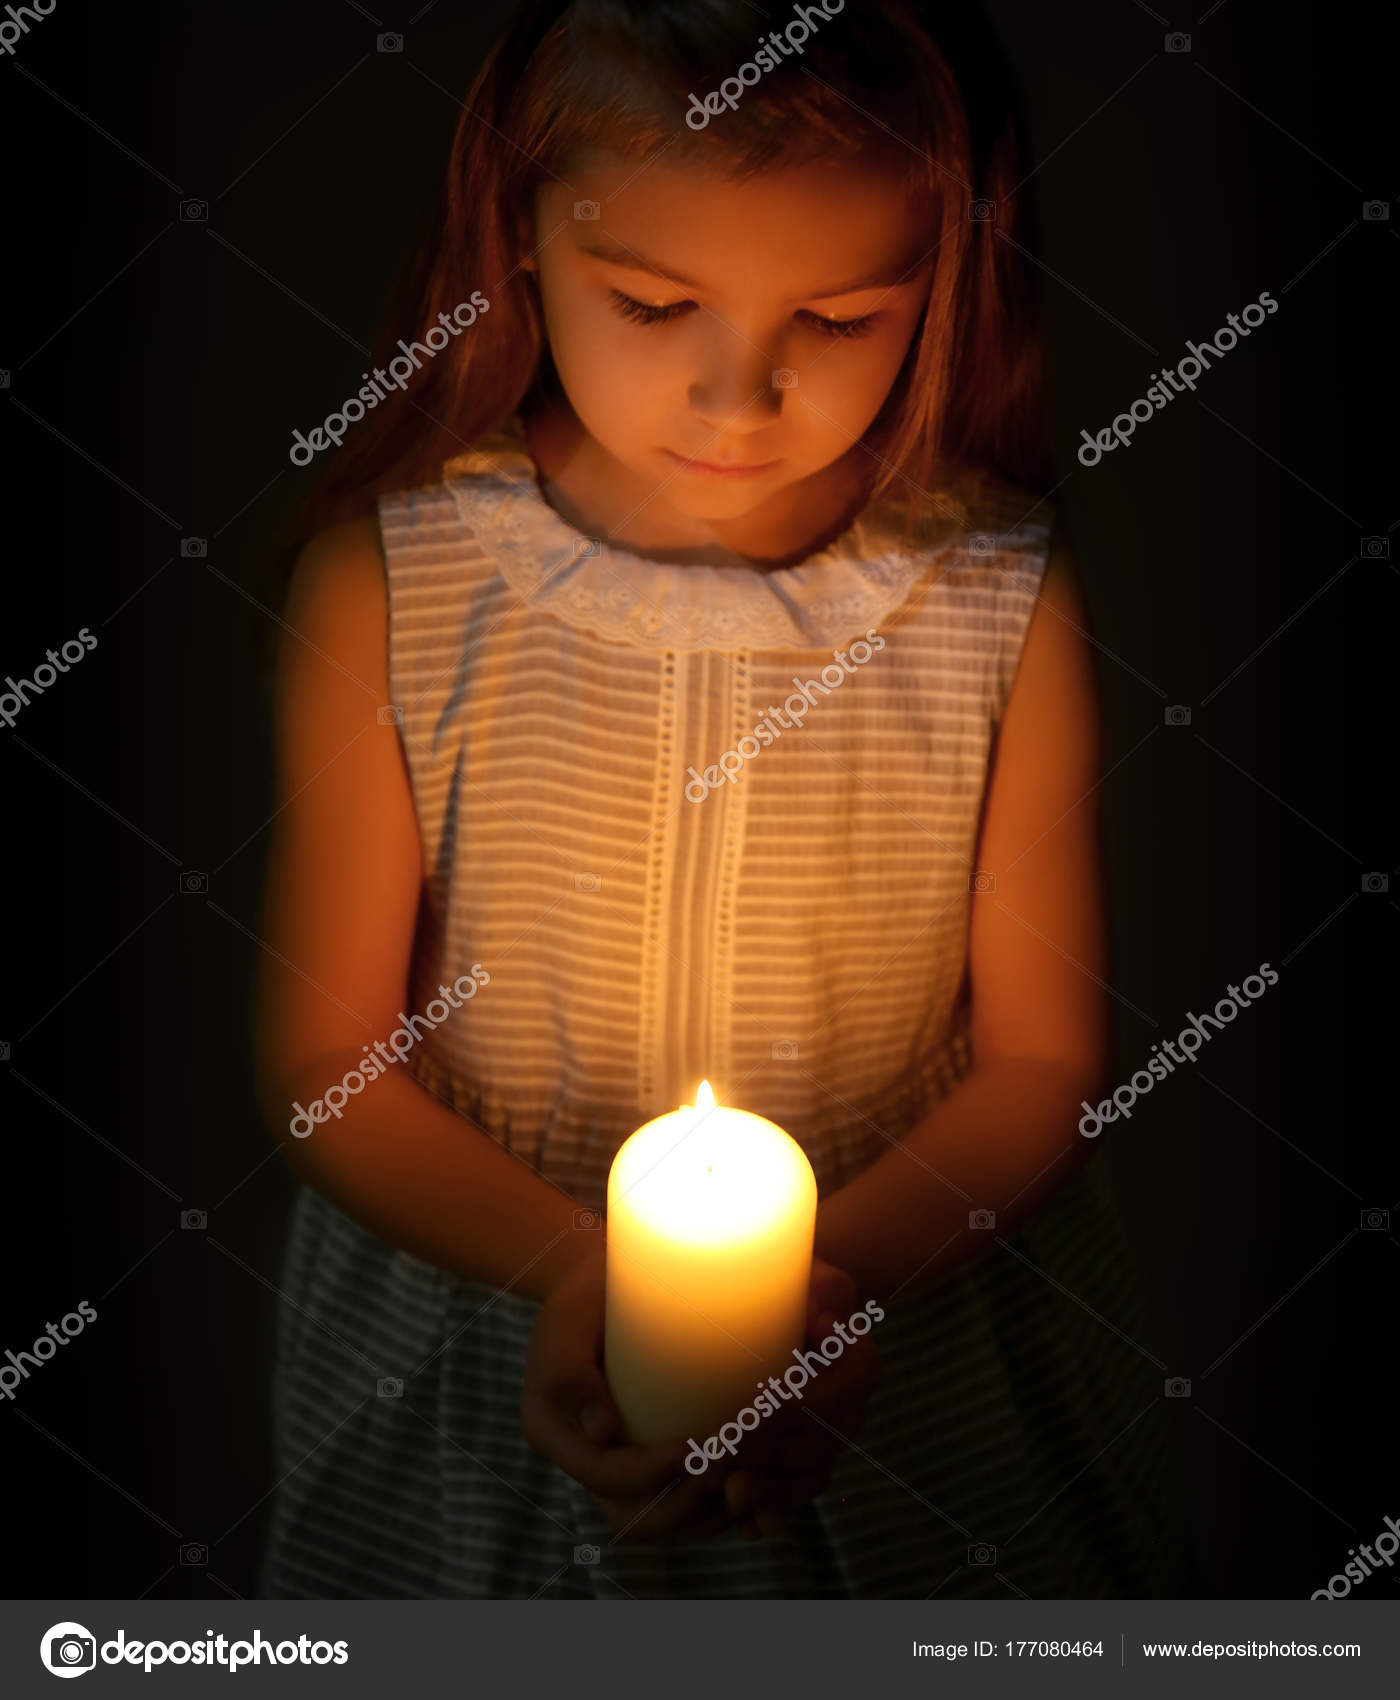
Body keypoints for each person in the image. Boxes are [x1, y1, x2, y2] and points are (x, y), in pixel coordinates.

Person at [254, 0, 1198, 1598]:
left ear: (939, 285)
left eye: (835, 321)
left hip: (902, 1343)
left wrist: (803, 1310)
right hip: (496, 1340)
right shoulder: (392, 590)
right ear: (525, 238)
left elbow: (1044, 1060)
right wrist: (595, 1289)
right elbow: (329, 1063)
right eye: (653, 301)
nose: (737, 398)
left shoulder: (991, 601)